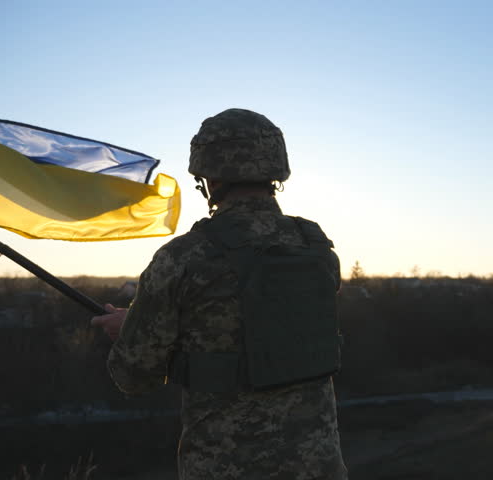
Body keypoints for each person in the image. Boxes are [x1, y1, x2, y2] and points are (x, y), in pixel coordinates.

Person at [91, 108, 347, 480]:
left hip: (225, 467)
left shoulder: (183, 258)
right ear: (276, 167)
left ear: (206, 176)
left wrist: (128, 332)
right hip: (320, 465)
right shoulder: (316, 247)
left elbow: (134, 376)